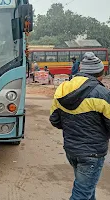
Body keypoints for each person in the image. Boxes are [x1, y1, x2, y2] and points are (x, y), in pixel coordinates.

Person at [49, 52, 110, 200]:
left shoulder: (62, 89)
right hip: (92, 153)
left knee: (87, 188)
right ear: (99, 74)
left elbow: (54, 119)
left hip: (71, 150)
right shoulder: (102, 93)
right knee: (82, 193)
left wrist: (73, 126)